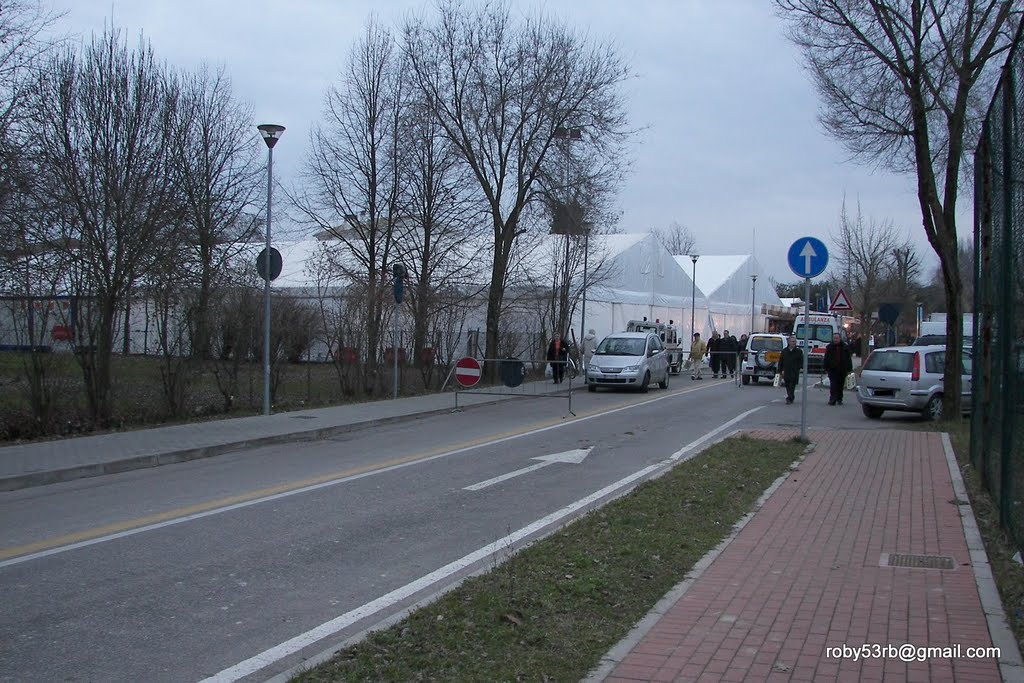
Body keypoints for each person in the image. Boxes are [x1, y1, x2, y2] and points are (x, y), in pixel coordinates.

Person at [823, 333, 853, 405]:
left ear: (840, 339)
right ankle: (832, 399)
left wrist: (849, 369)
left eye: (837, 338)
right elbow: (826, 358)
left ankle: (839, 398)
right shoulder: (829, 347)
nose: (835, 340)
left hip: (842, 369)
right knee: (833, 385)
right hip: (832, 369)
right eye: (834, 338)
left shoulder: (845, 347)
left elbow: (848, 358)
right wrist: (826, 367)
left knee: (840, 385)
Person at [778, 335, 803, 404]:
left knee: (792, 385)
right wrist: (780, 370)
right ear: (789, 342)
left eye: (795, 342)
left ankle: (789, 398)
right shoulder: (784, 351)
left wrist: (800, 368)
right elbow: (781, 361)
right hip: (786, 371)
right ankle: (790, 396)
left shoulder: (798, 351)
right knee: (788, 385)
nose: (793, 343)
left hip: (794, 371)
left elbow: (801, 361)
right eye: (792, 341)